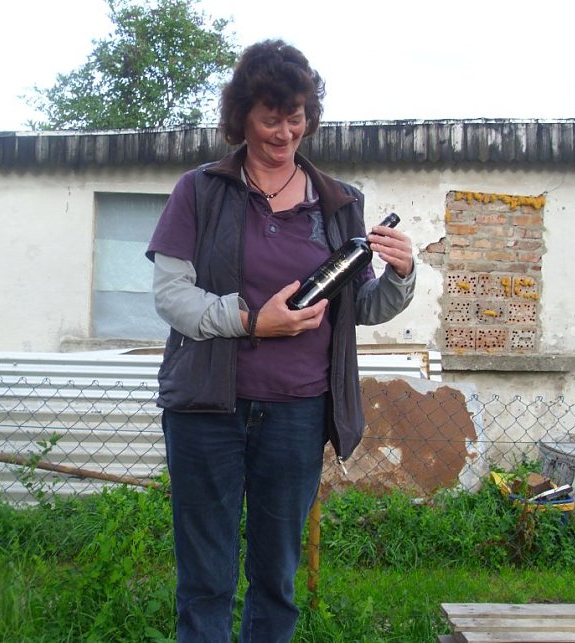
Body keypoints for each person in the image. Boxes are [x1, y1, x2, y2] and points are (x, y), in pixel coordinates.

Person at [146, 39, 415, 642]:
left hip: (297, 412)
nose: (284, 132)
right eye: (271, 118)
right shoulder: (199, 190)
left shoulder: (339, 203)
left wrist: (401, 274)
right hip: (206, 410)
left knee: (276, 578)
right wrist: (250, 322)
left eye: (295, 118)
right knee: (205, 578)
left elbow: (360, 305)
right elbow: (171, 296)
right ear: (242, 116)